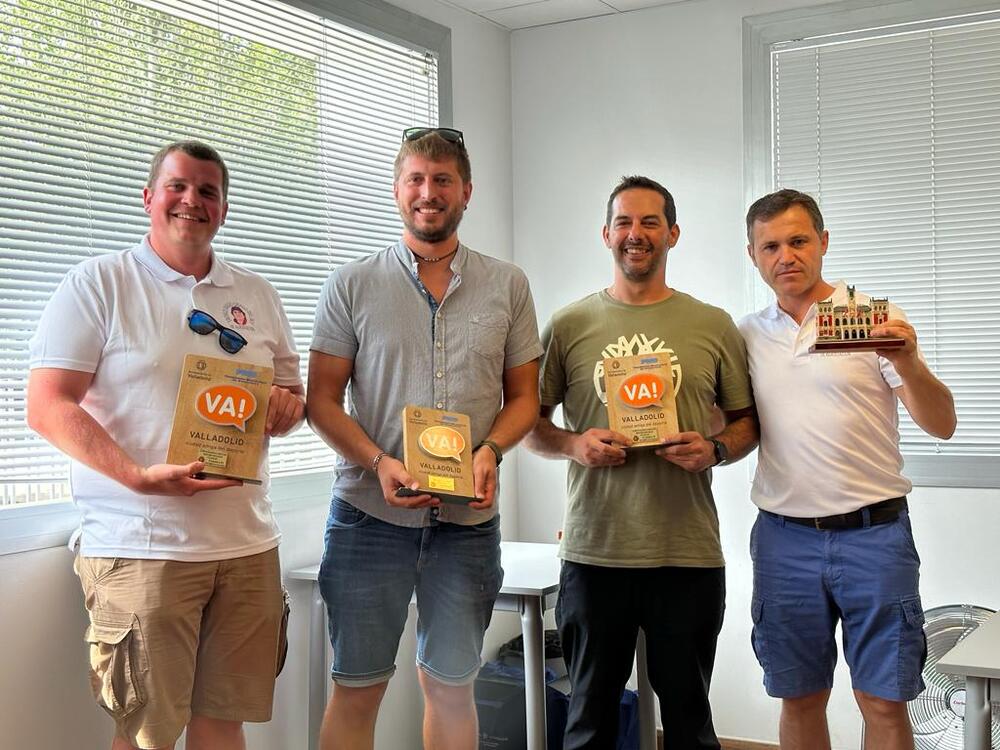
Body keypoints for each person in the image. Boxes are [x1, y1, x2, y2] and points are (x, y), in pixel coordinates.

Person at [26, 141, 306, 750]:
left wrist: (287, 407)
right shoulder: (99, 284)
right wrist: (136, 476)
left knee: (224, 725)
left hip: (247, 544)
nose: (192, 201)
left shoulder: (256, 294)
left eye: (208, 191)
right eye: (178, 186)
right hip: (141, 544)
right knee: (147, 732)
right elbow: (47, 405)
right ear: (149, 197)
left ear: (224, 209)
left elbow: (288, 390)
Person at [307, 127, 542, 750]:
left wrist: (490, 451)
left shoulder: (507, 284)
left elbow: (524, 399)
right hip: (367, 518)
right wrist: (379, 461)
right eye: (415, 178)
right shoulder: (351, 284)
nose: (428, 193)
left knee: (451, 686)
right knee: (357, 688)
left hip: (466, 526)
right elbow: (321, 402)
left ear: (467, 191)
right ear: (396, 190)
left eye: (442, 180)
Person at [524, 175, 758, 750]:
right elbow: (529, 425)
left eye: (650, 222)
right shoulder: (569, 325)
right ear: (606, 234)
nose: (636, 234)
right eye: (625, 222)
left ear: (673, 233)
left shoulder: (712, 324)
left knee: (689, 720)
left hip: (687, 552)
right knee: (589, 721)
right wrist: (575, 445)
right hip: (594, 550)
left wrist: (716, 449)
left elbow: (747, 422)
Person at [739, 189, 957, 750]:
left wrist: (907, 360)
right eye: (771, 246)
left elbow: (942, 424)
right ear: (753, 255)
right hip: (784, 540)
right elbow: (732, 426)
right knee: (800, 695)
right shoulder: (745, 336)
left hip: (875, 535)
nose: (785, 255)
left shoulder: (871, 319)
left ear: (823, 243)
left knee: (884, 701)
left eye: (798, 241)